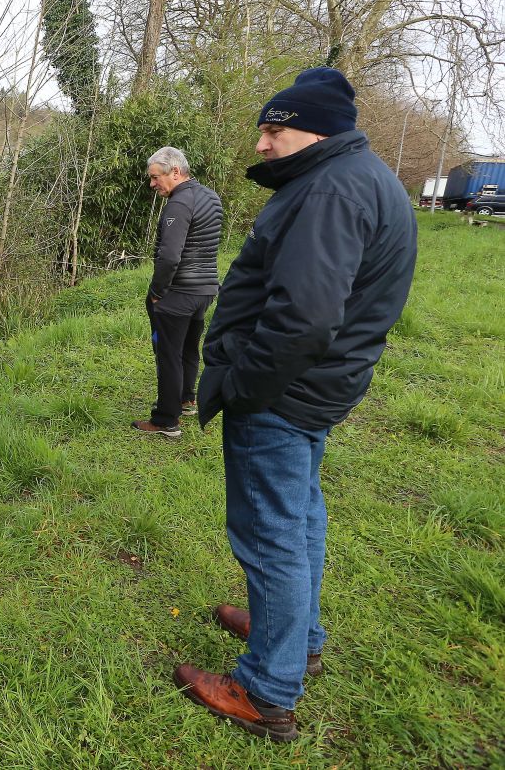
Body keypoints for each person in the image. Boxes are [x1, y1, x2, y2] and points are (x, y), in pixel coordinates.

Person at [173, 67, 417, 741]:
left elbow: (305, 318)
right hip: (319, 389)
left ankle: (266, 690)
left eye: (273, 130)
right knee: (299, 514)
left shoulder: (332, 189)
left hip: (282, 394)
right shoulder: (362, 179)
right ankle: (296, 635)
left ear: (317, 130)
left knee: (271, 535)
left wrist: (244, 387)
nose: (262, 144)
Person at [131, 147, 223, 439]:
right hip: (205, 290)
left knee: (167, 354)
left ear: (175, 172)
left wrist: (158, 292)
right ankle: (186, 399)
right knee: (187, 348)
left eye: (156, 177)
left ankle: (166, 420)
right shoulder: (210, 196)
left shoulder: (178, 204)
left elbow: (170, 257)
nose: (152, 183)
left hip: (179, 292)